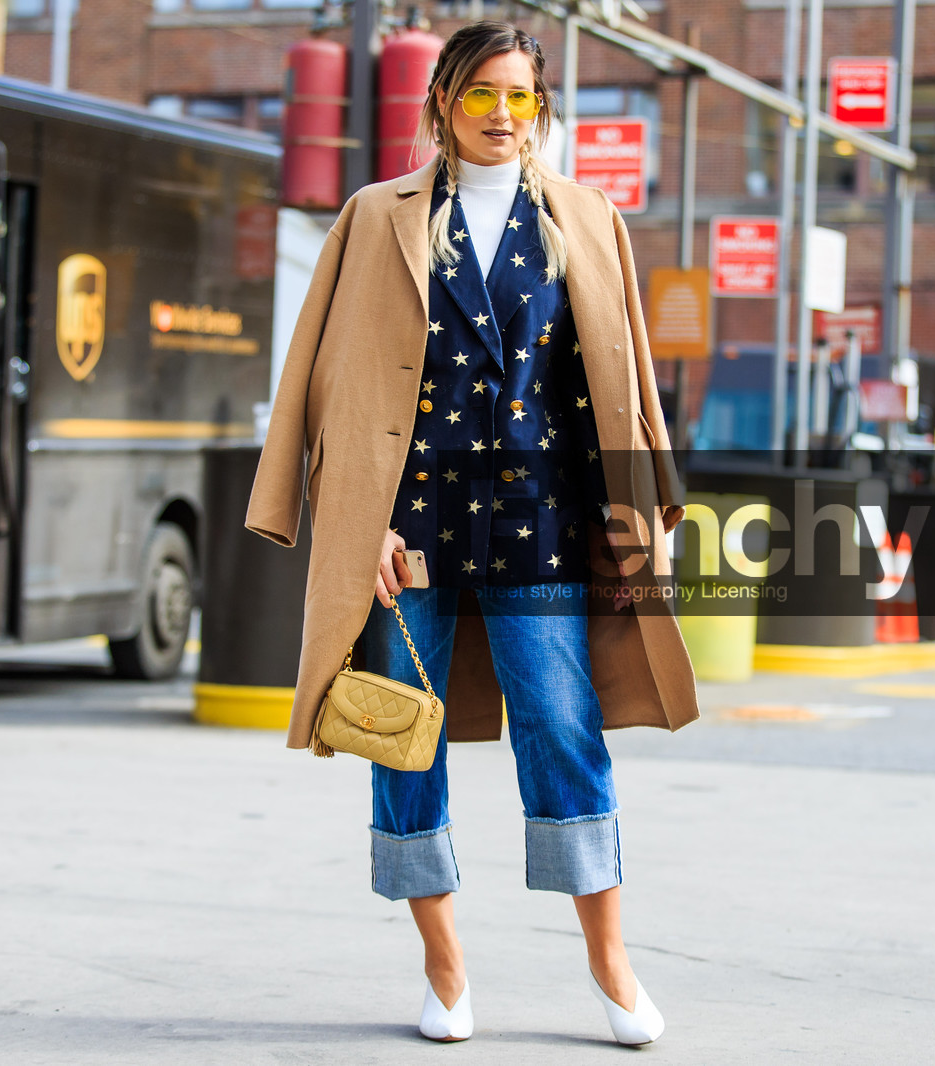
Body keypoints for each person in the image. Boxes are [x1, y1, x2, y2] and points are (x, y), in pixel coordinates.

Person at [245, 20, 698, 1046]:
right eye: (482, 93)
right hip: (407, 532)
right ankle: (444, 970)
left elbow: (620, 387)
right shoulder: (374, 218)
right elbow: (323, 382)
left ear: (541, 106)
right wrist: (348, 526)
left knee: (564, 731)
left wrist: (642, 512)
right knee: (400, 739)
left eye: (522, 96)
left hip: (541, 518)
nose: (503, 114)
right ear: (443, 100)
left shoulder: (588, 219)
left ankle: (610, 961)